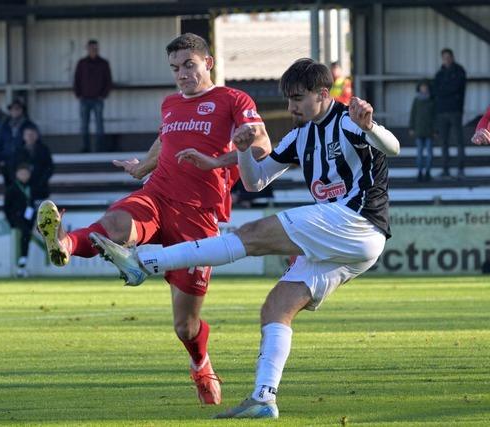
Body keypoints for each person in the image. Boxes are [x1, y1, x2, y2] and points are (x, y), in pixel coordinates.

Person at [90, 58, 401, 419]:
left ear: (321, 93)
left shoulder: (349, 119)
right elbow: (255, 182)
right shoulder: (300, 136)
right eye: (288, 99)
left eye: (297, 99)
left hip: (356, 220)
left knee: (250, 234)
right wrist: (241, 150)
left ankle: (144, 261)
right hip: (350, 243)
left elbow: (392, 148)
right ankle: (264, 397)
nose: (291, 107)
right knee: (275, 308)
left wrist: (372, 126)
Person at [36, 33, 272, 405]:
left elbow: (263, 147)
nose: (181, 74)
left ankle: (201, 364)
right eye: (175, 68)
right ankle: (64, 243)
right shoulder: (170, 104)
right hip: (157, 194)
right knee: (116, 225)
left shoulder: (233, 100)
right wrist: (141, 168)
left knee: (185, 325)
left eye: (189, 65)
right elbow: (164, 141)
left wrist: (217, 161)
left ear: (207, 63)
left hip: (198, 215)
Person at [74, 39, 112, 152]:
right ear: (87, 49)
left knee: (99, 124)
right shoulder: (82, 63)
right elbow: (77, 79)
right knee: (84, 124)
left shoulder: (103, 63)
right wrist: (78, 94)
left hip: (98, 99)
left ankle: (100, 148)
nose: (93, 50)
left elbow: (108, 80)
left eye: (95, 48)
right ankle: (86, 148)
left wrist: (103, 95)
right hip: (84, 98)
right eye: (91, 48)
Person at [433, 48, 466, 179]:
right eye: (444, 57)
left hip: (455, 111)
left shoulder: (459, 71)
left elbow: (455, 88)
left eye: (448, 56)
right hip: (441, 112)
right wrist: (447, 90)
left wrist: (443, 90)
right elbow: (435, 91)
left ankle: (460, 168)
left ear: (452, 57)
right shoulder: (439, 73)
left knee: (459, 141)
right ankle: (445, 169)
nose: (446, 59)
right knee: (444, 142)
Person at [4, 163, 36, 278]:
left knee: (26, 234)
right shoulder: (12, 188)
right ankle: (22, 260)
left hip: (28, 218)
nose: (24, 176)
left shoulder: (32, 187)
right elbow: (7, 207)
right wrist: (11, 221)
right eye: (21, 173)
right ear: (17, 174)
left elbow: (32, 204)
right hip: (17, 218)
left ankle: (23, 263)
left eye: (26, 174)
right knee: (25, 234)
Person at [0, 99, 35, 186]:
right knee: (9, 185)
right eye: (13, 109)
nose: (15, 111)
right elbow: (0, 142)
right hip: (7, 160)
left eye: (17, 109)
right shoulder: (5, 125)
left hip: (22, 160)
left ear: (21, 110)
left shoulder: (28, 125)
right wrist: (0, 158)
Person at [16, 124, 53, 203]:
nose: (30, 137)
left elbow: (50, 167)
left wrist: (42, 180)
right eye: (27, 135)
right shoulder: (18, 151)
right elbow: (14, 167)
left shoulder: (44, 149)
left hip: (41, 187)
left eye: (32, 134)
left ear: (36, 136)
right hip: (23, 187)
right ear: (23, 136)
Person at [409, 80, 435, 181]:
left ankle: (428, 172)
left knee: (429, 153)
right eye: (422, 87)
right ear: (419, 88)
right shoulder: (416, 100)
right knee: (419, 153)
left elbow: (435, 116)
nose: (424, 88)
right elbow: (413, 114)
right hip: (418, 130)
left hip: (429, 131)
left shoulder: (432, 100)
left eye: (425, 87)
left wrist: (435, 130)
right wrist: (411, 127)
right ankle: (420, 172)